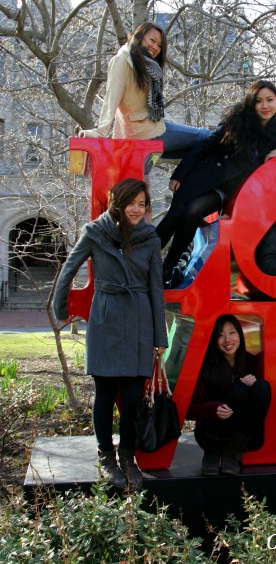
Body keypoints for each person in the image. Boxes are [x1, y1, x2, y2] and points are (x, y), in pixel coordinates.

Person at [52, 178, 168, 489]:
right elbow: (69, 267)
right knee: (104, 393)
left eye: (142, 204)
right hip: (105, 317)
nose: (137, 209)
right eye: (132, 202)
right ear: (117, 202)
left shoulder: (150, 238)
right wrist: (60, 306)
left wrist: (160, 338)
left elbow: (156, 289)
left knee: (131, 397)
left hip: (140, 318)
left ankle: (127, 455)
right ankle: (106, 456)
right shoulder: (95, 232)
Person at [155, 79, 276, 286]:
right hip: (201, 177)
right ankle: (141, 262)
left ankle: (166, 268)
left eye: (270, 100)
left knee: (193, 212)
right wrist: (179, 174)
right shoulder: (236, 121)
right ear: (251, 103)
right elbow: (204, 146)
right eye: (259, 101)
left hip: (225, 191)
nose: (265, 106)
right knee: (174, 217)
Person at [78, 22, 208, 158]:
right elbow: (111, 98)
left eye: (160, 46)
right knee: (206, 136)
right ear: (140, 36)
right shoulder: (123, 60)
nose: (155, 47)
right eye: (152, 40)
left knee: (198, 149)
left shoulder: (147, 66)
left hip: (148, 131)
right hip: (144, 135)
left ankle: (179, 178)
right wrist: (100, 132)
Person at [187, 314, 271, 476]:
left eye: (232, 333)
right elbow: (188, 410)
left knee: (261, 387)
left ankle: (233, 451)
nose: (227, 340)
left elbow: (259, 401)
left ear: (240, 334)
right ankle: (213, 452)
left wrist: (254, 383)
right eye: (220, 335)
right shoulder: (205, 365)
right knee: (239, 390)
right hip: (210, 433)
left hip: (240, 435)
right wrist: (212, 409)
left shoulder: (251, 362)